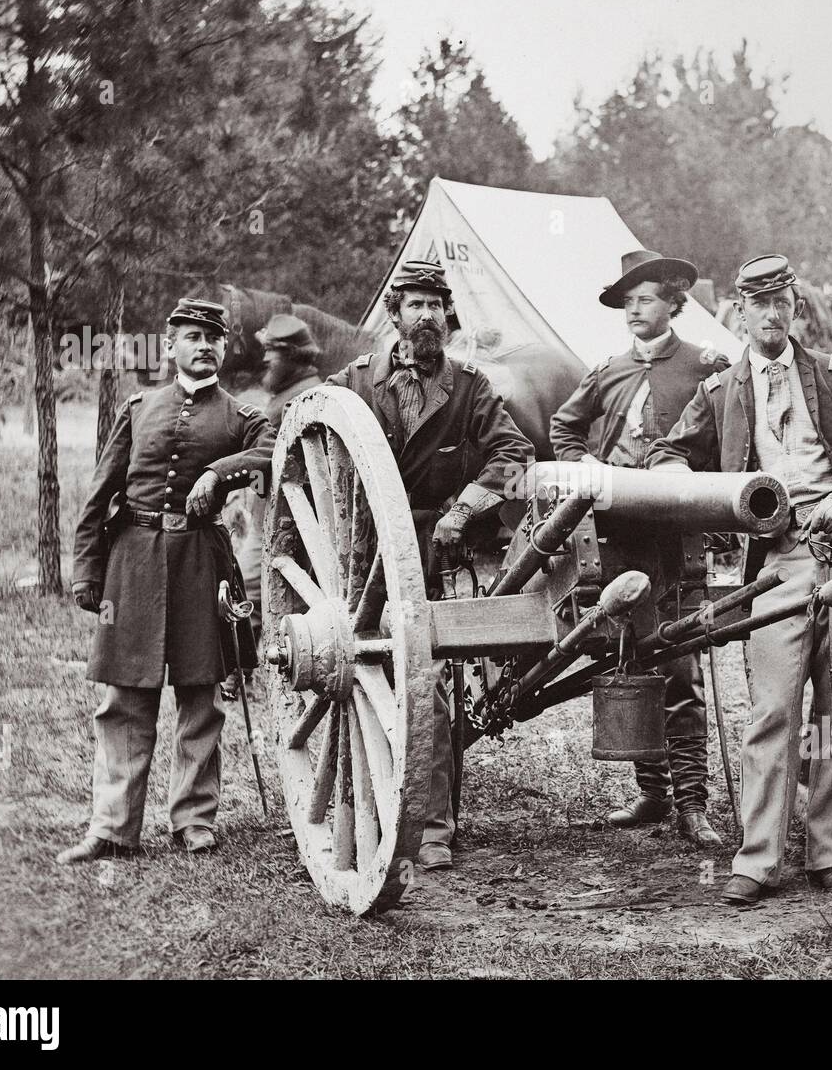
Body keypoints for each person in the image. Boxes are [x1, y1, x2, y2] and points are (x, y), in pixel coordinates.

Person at [646, 255, 832, 901]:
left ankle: (829, 851)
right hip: (777, 563)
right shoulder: (720, 395)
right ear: (739, 311)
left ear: (794, 306)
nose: (770, 314)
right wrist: (700, 495)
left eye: (780, 301)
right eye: (757, 304)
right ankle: (758, 857)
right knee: (771, 707)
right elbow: (668, 456)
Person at [323, 260, 533, 871]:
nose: (425, 315)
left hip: (434, 551)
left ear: (448, 316)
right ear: (394, 314)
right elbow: (312, 428)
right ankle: (361, 806)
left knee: (429, 688)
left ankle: (433, 825)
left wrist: (465, 508)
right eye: (414, 304)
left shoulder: (469, 387)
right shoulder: (357, 382)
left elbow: (516, 454)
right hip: (364, 557)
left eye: (435, 305)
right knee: (361, 681)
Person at [57, 298, 275, 864]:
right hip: (131, 562)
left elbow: (273, 451)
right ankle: (112, 828)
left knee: (201, 696)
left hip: (200, 560)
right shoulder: (138, 407)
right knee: (124, 697)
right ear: (171, 345)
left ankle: (194, 820)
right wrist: (87, 571)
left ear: (225, 349)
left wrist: (216, 471)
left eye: (213, 338)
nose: (203, 346)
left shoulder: (240, 416)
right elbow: (100, 493)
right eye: (192, 336)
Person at [550, 248, 726, 848]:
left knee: (682, 665)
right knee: (635, 658)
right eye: (626, 304)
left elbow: (728, 437)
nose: (634, 311)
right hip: (620, 536)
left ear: (673, 304)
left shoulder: (707, 365)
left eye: (644, 300)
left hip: (678, 537)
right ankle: (652, 792)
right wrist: (587, 468)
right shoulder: (605, 371)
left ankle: (693, 804)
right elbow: (563, 430)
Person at [234, 314, 322, 644]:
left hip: (286, 525)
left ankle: (235, 680)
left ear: (295, 357)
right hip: (269, 520)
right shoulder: (288, 393)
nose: (266, 358)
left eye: (274, 351)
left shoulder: (304, 398)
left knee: (242, 595)